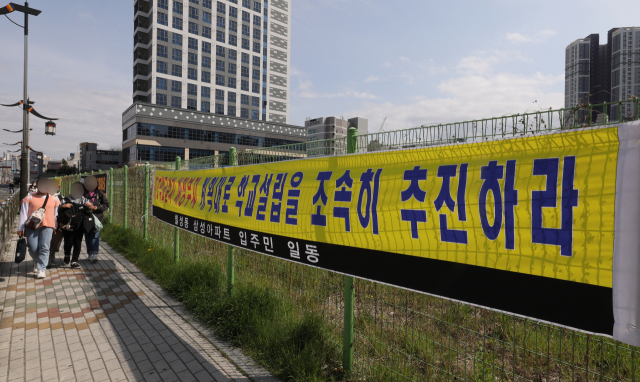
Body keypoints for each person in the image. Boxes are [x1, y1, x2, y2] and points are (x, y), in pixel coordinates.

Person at [17, 177, 60, 279]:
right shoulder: (29, 197)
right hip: (32, 226)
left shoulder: (54, 198)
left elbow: (56, 214)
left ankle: (41, 269)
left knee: (44, 247)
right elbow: (23, 214)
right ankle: (37, 261)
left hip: (48, 225)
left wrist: (55, 226)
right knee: (32, 247)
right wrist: (20, 228)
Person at [59, 182, 90, 268]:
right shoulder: (65, 200)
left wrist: (89, 207)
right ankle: (67, 255)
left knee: (77, 243)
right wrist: (63, 206)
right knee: (68, 242)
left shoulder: (85, 200)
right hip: (68, 225)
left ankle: (74, 261)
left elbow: (89, 212)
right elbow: (58, 210)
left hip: (79, 225)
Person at [83, 176, 108, 263]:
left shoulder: (99, 193)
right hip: (86, 218)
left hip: (97, 218)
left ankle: (95, 254)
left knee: (95, 236)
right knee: (87, 236)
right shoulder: (83, 193)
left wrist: (96, 208)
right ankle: (90, 254)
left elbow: (106, 205)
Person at [47, 180, 65, 269]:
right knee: (47, 242)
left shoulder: (61, 197)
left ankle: (52, 253)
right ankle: (48, 259)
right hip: (46, 223)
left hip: (57, 223)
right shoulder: (43, 196)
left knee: (55, 242)